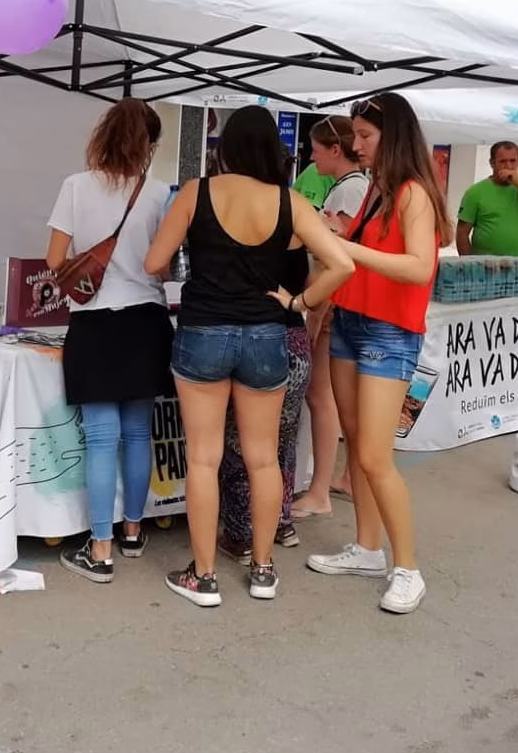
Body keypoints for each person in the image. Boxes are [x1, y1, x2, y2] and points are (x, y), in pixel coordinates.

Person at [145, 107, 354, 607]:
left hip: (203, 332)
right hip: (266, 335)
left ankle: (204, 577)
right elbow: (341, 262)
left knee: (203, 457)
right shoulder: (292, 202)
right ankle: (263, 570)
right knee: (264, 459)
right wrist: (298, 303)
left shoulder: (197, 192)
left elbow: (154, 263)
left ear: (228, 146)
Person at [307, 93, 452, 615]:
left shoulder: (414, 192)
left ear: (393, 137)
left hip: (389, 333)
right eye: (356, 136)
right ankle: (368, 549)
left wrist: (347, 248)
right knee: (357, 446)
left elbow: (418, 267)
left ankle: (407, 567)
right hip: (352, 321)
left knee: (373, 455)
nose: (357, 144)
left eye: (366, 136)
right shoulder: (377, 190)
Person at [46, 98, 173, 583]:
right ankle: (134, 533)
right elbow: (162, 264)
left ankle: (100, 550)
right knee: (139, 432)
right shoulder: (160, 194)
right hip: (146, 320)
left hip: (94, 323)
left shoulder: (75, 187)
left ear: (103, 134)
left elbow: (55, 259)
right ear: (150, 145)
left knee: (102, 438)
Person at [218, 165, 312, 566]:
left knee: (242, 443)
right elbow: (322, 272)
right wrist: (302, 305)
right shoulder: (297, 215)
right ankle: (280, 522)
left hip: (258, 338)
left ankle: (241, 535)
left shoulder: (244, 219)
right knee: (283, 442)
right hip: (294, 340)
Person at [292, 116, 370, 519]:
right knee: (336, 401)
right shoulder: (352, 188)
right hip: (339, 306)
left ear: (334, 150)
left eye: (315, 148)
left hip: (333, 305)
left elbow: (332, 261)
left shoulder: (349, 192)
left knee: (322, 398)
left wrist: (312, 311)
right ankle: (342, 479)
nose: (311, 155)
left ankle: (320, 488)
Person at [456, 141, 518, 258]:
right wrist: (469, 264)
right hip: (486, 267)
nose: (509, 166)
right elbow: (462, 234)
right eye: (503, 161)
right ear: (492, 163)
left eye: (513, 161)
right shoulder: (475, 192)